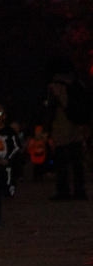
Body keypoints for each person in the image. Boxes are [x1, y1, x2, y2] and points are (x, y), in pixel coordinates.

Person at [44, 68, 89, 200]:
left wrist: (47, 127)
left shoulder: (55, 87)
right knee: (77, 161)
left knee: (62, 161)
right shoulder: (78, 84)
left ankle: (63, 191)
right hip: (77, 126)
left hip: (61, 126)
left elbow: (51, 108)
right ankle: (80, 190)